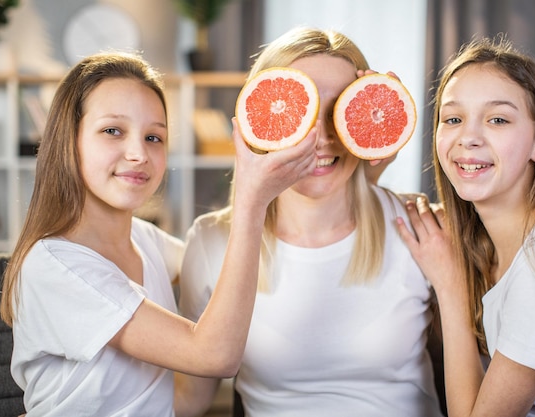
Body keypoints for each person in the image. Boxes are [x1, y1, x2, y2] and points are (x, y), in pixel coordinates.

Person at [0, 51, 318, 416]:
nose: (138, 153)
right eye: (112, 131)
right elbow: (214, 355)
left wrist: (367, 178)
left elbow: (226, 275)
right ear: (68, 142)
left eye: (154, 137)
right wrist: (252, 201)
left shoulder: (145, 240)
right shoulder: (56, 266)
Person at [174, 26, 444, 417]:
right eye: (302, 111)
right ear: (263, 116)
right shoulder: (212, 241)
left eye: (340, 109)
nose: (321, 137)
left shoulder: (418, 230)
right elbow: (188, 399)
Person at [398, 36, 535, 416]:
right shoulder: (487, 241)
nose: (468, 137)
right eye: (453, 119)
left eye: (497, 119)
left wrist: (450, 286)